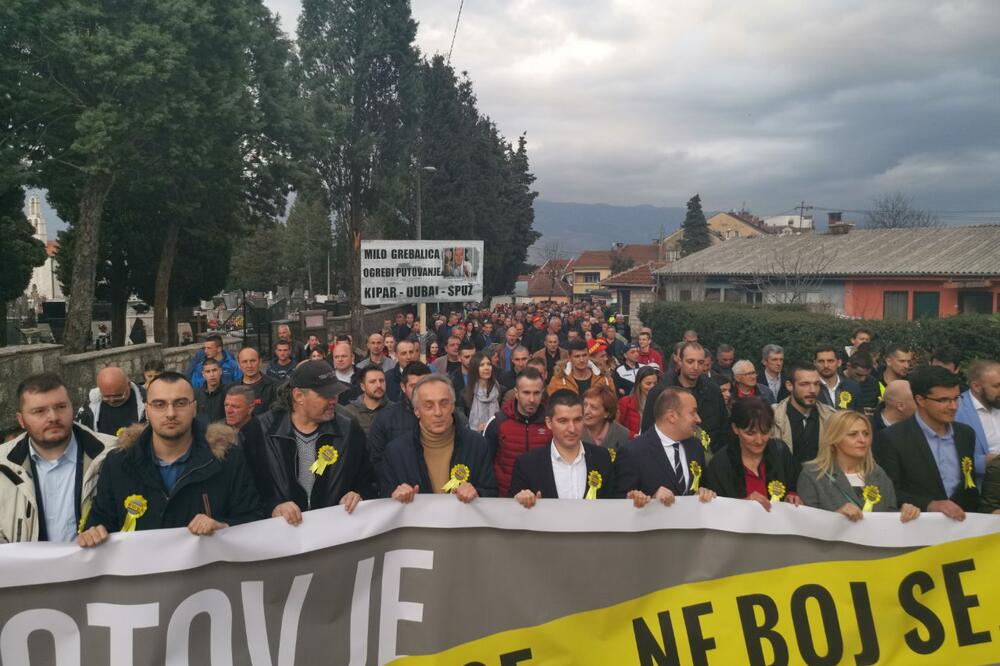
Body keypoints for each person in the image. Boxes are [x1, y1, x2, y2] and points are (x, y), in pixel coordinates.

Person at [78, 372, 262, 547]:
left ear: (194, 408)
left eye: (180, 403)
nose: (171, 413)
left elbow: (252, 519)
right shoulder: (118, 463)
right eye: (159, 404)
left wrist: (222, 527)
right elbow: (100, 522)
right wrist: (92, 533)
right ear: (147, 410)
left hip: (205, 577)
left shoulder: (227, 459)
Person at [239, 360, 375, 524]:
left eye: (335, 393)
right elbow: (244, 493)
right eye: (325, 395)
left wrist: (358, 494)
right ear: (298, 396)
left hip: (335, 533)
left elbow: (370, 480)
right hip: (281, 538)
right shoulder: (258, 431)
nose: (333, 400)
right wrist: (272, 507)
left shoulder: (349, 429)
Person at [2, 374, 117, 543]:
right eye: (39, 411)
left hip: (95, 565)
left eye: (61, 407)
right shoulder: (3, 464)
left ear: (72, 407)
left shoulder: (113, 453)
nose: (53, 417)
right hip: (25, 568)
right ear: (21, 419)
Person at [874, 365, 980, 520]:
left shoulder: (966, 434)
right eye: (943, 400)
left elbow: (969, 486)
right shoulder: (892, 438)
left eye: (956, 398)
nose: (953, 406)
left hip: (961, 529)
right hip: (917, 528)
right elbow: (889, 490)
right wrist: (930, 505)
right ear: (920, 400)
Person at [382, 375, 498, 501]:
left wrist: (477, 494)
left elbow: (491, 492)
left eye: (444, 404)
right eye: (428, 405)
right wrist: (396, 496)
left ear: (453, 406)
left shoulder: (477, 445)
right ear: (416, 411)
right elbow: (385, 501)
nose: (438, 412)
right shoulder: (396, 452)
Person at [797, 410, 920, 522]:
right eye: (853, 434)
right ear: (834, 439)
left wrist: (905, 512)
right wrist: (835, 518)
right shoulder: (813, 474)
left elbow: (889, 517)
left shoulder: (877, 473)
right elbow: (807, 526)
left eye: (866, 434)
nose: (862, 440)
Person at [509, 390, 617, 505]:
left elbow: (614, 505)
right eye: (563, 421)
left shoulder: (602, 458)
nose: (572, 429)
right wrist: (521, 500)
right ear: (549, 423)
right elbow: (512, 512)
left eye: (577, 420)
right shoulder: (527, 464)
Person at [615, 387, 716, 505]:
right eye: (692, 413)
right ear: (671, 416)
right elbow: (618, 502)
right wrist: (649, 499)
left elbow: (703, 484)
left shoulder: (695, 447)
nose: (698, 419)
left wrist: (704, 492)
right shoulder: (633, 452)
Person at [704, 397, 803, 510]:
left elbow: (795, 485)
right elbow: (715, 509)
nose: (759, 440)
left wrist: (793, 497)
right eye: (750, 433)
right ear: (735, 428)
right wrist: (743, 504)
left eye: (765, 432)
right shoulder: (720, 464)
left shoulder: (780, 451)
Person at [641, 342, 728, 455]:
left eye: (700, 362)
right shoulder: (660, 392)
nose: (696, 367)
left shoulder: (713, 391)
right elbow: (648, 432)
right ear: (679, 361)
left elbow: (723, 429)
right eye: (690, 361)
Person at [484, 367, 550, 498]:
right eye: (526, 393)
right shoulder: (497, 423)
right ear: (516, 393)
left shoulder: (551, 424)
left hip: (542, 500)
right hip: (505, 500)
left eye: (536, 393)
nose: (531, 399)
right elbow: (486, 466)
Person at [771, 363, 835, 465]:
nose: (812, 390)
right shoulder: (772, 418)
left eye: (816, 384)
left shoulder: (831, 417)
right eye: (804, 384)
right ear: (789, 385)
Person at [955, 360, 1000, 479]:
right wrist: (983, 462)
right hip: (980, 488)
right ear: (976, 386)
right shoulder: (956, 411)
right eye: (996, 386)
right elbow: (947, 457)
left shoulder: (996, 401)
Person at [76, 366, 147, 437]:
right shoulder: (87, 411)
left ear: (128, 385)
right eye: (106, 396)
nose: (112, 400)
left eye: (118, 396)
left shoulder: (147, 403)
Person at [547, 339, 615, 397]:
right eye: (577, 356)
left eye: (584, 355)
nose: (581, 360)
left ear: (588, 355)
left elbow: (614, 406)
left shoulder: (604, 379)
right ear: (570, 357)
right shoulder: (557, 381)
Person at [343, 366, 394, 435]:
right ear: (363, 387)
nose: (379, 385)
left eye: (381, 381)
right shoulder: (348, 412)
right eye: (372, 382)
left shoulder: (395, 410)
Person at [581, 386, 631, 451]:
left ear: (607, 413)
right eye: (585, 405)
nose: (586, 411)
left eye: (593, 407)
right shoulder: (574, 429)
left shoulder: (622, 434)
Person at [813, 344, 862, 411]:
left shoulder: (853, 387)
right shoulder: (810, 388)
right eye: (821, 361)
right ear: (815, 363)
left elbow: (859, 415)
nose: (826, 365)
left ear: (839, 362)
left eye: (830, 361)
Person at [462, 352, 502, 432]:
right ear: (474, 368)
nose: (486, 368)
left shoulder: (499, 389)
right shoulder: (465, 394)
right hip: (474, 437)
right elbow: (462, 423)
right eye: (482, 365)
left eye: (489, 364)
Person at [618, 366, 659, 437]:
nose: (652, 387)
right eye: (648, 384)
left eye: (655, 383)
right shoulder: (625, 402)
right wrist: (633, 435)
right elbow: (616, 427)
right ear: (639, 384)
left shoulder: (661, 402)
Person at [237, 347, 278, 416]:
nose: (249, 365)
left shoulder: (275, 386)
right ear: (239, 365)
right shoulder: (231, 388)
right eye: (244, 362)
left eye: (253, 361)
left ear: (260, 362)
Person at [194, 358, 229, 425]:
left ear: (220, 371)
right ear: (203, 374)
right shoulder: (196, 395)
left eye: (214, 370)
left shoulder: (228, 393)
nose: (212, 375)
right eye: (208, 371)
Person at [385, 338, 419, 403]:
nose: (408, 357)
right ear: (396, 355)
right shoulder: (387, 378)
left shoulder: (425, 375)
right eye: (404, 353)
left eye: (411, 352)